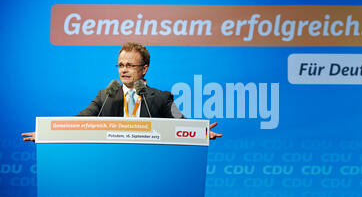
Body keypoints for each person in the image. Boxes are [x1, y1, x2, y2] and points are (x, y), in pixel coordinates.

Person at [22, 42, 223, 141]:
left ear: (144, 69)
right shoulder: (106, 96)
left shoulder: (162, 98)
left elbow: (181, 122)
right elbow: (79, 121)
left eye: (129, 65)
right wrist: (47, 133)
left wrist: (202, 133)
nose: (124, 70)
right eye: (120, 65)